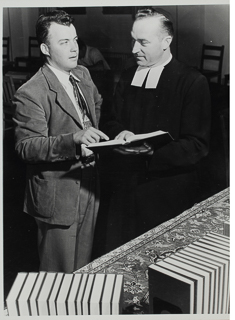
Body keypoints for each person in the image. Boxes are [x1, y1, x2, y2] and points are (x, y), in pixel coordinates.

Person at [98, 7, 211, 253]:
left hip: (167, 191)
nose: (133, 50)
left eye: (142, 42)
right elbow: (111, 120)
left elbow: (197, 145)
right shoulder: (128, 75)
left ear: (166, 41)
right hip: (126, 188)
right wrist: (121, 134)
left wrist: (149, 152)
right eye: (133, 40)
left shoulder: (192, 82)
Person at [13, 10, 109, 273]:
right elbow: (26, 147)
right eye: (63, 42)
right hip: (58, 193)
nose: (74, 48)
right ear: (45, 48)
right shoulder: (31, 92)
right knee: (59, 277)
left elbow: (96, 105)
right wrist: (74, 139)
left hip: (90, 182)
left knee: (83, 268)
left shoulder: (83, 74)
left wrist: (91, 130)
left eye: (75, 40)